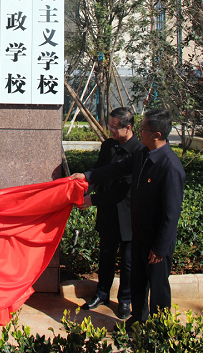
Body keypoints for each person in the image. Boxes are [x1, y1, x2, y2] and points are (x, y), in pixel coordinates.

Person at [70, 109, 185, 328]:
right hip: (139, 233)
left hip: (156, 241)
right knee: (138, 282)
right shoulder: (142, 154)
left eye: (144, 129)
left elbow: (171, 215)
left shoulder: (170, 166)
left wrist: (160, 248)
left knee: (158, 288)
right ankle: (137, 320)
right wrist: (86, 176)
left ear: (157, 135)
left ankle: (159, 331)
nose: (140, 132)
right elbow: (115, 168)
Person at [81, 108, 144, 320]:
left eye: (115, 127)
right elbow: (99, 171)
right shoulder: (108, 145)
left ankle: (125, 299)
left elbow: (123, 188)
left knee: (127, 262)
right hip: (107, 213)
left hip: (128, 214)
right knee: (106, 256)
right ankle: (102, 293)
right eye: (109, 126)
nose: (111, 130)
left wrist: (93, 200)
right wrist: (84, 189)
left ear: (128, 128)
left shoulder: (138, 151)